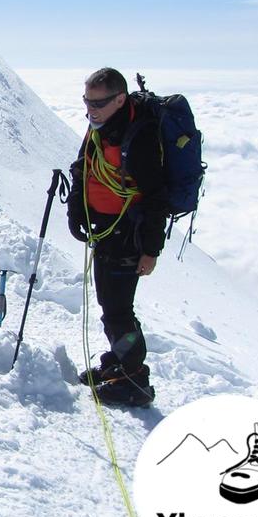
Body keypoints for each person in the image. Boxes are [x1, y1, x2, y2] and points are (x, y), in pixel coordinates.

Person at [66, 67, 167, 407]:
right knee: (110, 303)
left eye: (99, 102)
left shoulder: (140, 137)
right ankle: (119, 364)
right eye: (87, 101)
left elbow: (156, 197)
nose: (90, 109)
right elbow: (84, 167)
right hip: (106, 230)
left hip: (128, 234)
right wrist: (76, 210)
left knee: (117, 310)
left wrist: (150, 250)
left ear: (120, 99)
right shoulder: (101, 128)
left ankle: (135, 380)